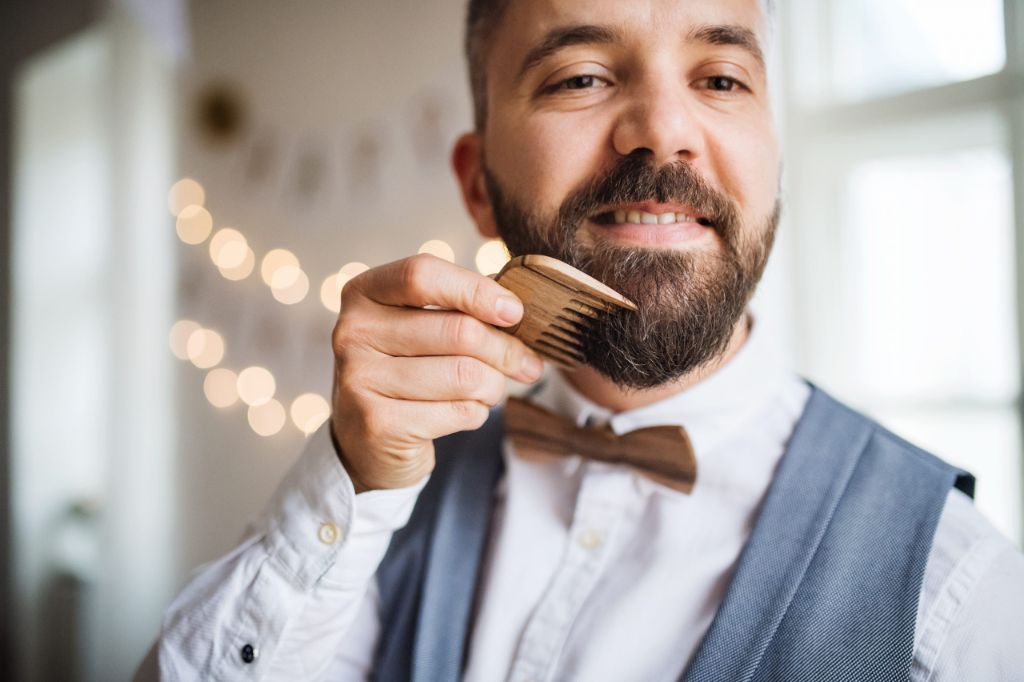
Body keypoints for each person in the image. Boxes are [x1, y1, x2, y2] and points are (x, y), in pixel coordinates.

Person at [139, 0, 1024, 679]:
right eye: (581, 78)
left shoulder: (959, 591)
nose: (666, 130)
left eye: (720, 79)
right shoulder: (379, 519)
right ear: (478, 187)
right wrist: (350, 477)